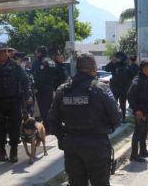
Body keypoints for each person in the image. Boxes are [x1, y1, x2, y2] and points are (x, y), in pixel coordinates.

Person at [49, 53, 121, 186]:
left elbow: (52, 119)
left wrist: (61, 138)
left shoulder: (63, 89)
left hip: (72, 144)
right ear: (93, 68)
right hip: (97, 144)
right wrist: (109, 128)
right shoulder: (101, 88)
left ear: (77, 68)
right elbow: (116, 117)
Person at [0, 43, 31, 163]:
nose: (3, 54)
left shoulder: (15, 66)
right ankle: (2, 151)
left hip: (14, 101)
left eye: (4, 51)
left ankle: (13, 151)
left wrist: (28, 96)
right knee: (0, 128)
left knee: (14, 128)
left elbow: (25, 81)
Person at [127, 60, 148, 162]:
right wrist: (137, 110)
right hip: (140, 111)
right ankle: (134, 155)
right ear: (143, 69)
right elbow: (130, 95)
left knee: (144, 131)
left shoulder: (145, 79)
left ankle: (143, 151)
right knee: (138, 133)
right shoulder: (137, 81)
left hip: (146, 110)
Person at [32, 46, 56, 133]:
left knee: (44, 109)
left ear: (40, 53)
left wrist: (36, 87)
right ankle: (51, 126)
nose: (36, 53)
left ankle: (47, 128)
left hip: (41, 89)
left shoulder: (39, 62)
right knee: (50, 108)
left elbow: (36, 75)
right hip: (50, 88)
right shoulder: (51, 61)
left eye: (36, 52)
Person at [105, 52, 132, 123]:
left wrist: (130, 62)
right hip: (115, 87)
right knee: (113, 103)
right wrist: (112, 62)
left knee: (123, 103)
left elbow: (132, 74)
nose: (119, 59)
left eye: (121, 57)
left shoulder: (127, 65)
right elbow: (106, 69)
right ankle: (113, 118)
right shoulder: (114, 64)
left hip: (124, 88)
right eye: (118, 57)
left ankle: (122, 118)